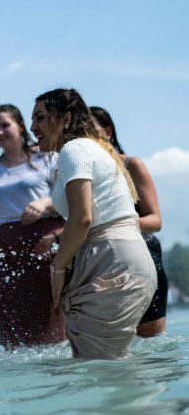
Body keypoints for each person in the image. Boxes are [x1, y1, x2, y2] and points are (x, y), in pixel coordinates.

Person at [30, 88, 156, 359]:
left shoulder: (73, 150)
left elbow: (82, 218)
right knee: (103, 370)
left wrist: (58, 270)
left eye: (40, 118)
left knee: (97, 371)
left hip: (109, 259)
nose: (32, 128)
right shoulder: (90, 148)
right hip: (118, 257)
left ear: (64, 118)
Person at [0, 104, 66, 349]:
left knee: (54, 335)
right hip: (8, 259)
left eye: (5, 125)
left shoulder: (47, 157)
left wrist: (46, 203)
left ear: (21, 126)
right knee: (15, 343)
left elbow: (72, 202)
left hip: (46, 250)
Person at [90, 106, 166, 337]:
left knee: (149, 341)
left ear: (108, 131)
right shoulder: (84, 174)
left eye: (91, 130)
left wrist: (116, 227)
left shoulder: (132, 165)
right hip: (102, 260)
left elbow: (155, 220)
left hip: (142, 254)